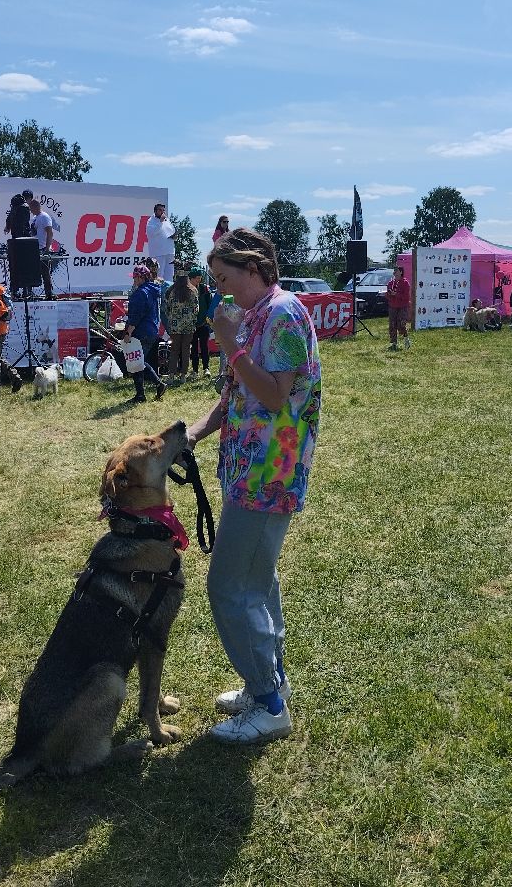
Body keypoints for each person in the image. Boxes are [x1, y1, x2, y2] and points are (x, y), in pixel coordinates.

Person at [186, 228, 321, 745]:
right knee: (257, 582)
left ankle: (268, 705)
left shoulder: (283, 313)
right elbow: (237, 395)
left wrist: (228, 345)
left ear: (254, 268)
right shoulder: (256, 316)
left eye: (225, 279)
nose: (221, 291)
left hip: (270, 472)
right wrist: (193, 433)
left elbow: (274, 396)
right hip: (249, 470)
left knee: (229, 586)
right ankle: (266, 684)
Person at [123, 265, 166, 404]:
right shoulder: (152, 290)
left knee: (137, 362)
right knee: (138, 362)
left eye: (135, 277)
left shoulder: (140, 293)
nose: (133, 280)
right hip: (152, 329)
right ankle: (142, 393)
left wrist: (128, 332)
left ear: (141, 277)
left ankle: (156, 386)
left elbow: (136, 316)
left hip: (141, 331)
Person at [163, 268, 199, 383]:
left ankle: (171, 375)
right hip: (188, 326)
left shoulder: (171, 291)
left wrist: (171, 318)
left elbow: (166, 308)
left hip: (175, 325)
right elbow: (196, 309)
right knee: (185, 350)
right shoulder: (193, 290)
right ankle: (183, 375)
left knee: (174, 350)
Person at [29, 199, 55, 301]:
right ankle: (29, 293)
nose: (31, 211)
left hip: (43, 248)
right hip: (35, 248)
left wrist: (48, 248)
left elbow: (50, 232)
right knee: (32, 272)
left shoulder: (44, 216)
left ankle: (49, 294)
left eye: (31, 208)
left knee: (45, 273)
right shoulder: (35, 218)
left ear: (36, 206)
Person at [189, 267, 213, 377]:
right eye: (197, 278)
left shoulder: (204, 289)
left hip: (203, 323)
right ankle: (194, 370)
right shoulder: (187, 290)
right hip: (191, 324)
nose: (199, 280)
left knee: (204, 346)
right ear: (191, 279)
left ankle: (206, 368)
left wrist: (208, 319)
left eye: (200, 278)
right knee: (193, 348)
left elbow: (210, 305)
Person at [146, 203, 176, 282]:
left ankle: (168, 292)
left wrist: (174, 236)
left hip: (169, 251)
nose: (162, 212)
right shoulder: (151, 221)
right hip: (158, 252)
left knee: (169, 275)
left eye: (163, 210)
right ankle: (159, 293)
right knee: (159, 274)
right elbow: (151, 233)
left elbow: (172, 230)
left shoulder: (167, 220)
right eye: (160, 210)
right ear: (155, 211)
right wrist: (160, 222)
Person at [386, 264, 411, 351]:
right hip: (393, 306)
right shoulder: (390, 283)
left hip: (402, 306)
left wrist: (396, 294)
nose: (394, 273)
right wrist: (389, 294)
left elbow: (406, 297)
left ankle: (406, 339)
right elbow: (388, 295)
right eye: (394, 271)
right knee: (392, 325)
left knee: (401, 324)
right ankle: (393, 343)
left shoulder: (405, 283)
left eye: (396, 271)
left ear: (401, 272)